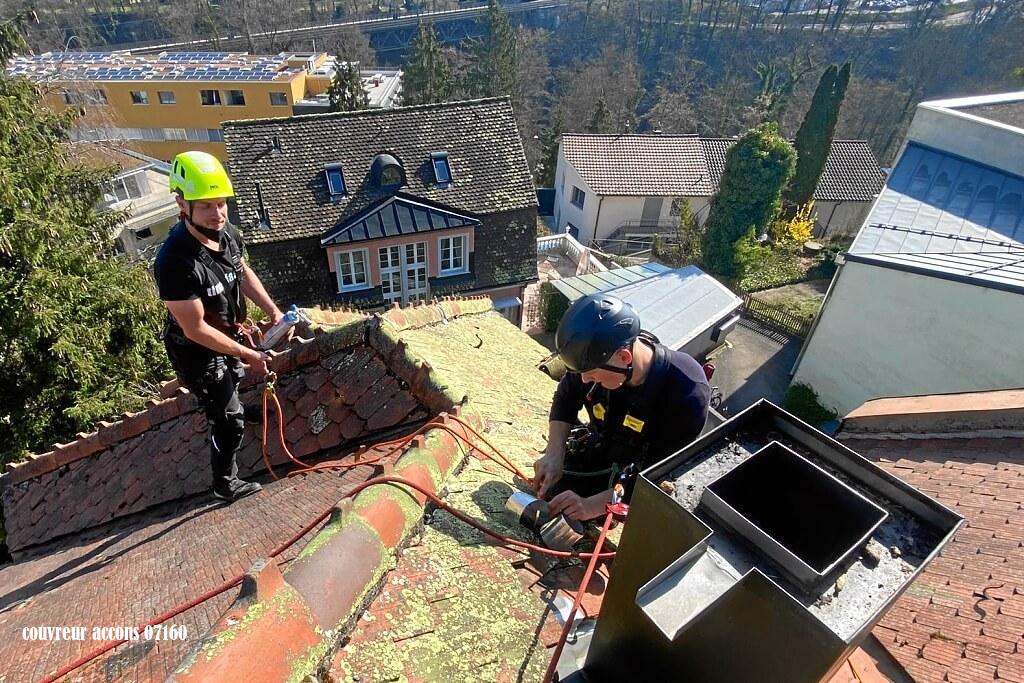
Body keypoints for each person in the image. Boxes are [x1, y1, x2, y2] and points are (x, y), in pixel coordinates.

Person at [154, 151, 288, 503]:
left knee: (235, 379)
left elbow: (241, 272)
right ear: (182, 204)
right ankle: (225, 483)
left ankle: (232, 403)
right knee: (227, 418)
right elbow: (195, 329)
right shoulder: (174, 262)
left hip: (227, 333)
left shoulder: (226, 234)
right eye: (206, 207)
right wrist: (249, 354)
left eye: (221, 204)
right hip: (195, 350)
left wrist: (273, 312)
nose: (218, 214)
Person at [533, 294, 711, 521]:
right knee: (552, 494)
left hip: (638, 478)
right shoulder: (595, 358)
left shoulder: (686, 393)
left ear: (624, 357)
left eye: (591, 374)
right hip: (599, 450)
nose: (585, 380)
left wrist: (590, 506)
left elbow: (656, 475)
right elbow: (566, 396)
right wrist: (554, 454)